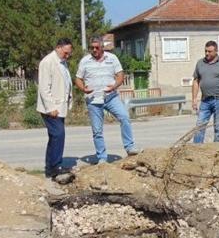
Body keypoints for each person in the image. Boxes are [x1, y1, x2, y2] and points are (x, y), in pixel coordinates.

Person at [75, 36, 141, 164]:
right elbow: (78, 78)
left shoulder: (112, 58)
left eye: (97, 47)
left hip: (111, 97)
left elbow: (120, 75)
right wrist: (83, 88)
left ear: (102, 47)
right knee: (97, 130)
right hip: (93, 99)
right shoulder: (85, 61)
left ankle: (130, 147)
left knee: (124, 117)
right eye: (92, 48)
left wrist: (115, 85)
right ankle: (102, 158)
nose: (94, 50)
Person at [36, 38, 74, 178]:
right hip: (51, 108)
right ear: (58, 48)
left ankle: (50, 168)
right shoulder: (47, 62)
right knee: (59, 134)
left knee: (54, 137)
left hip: (60, 107)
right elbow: (44, 88)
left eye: (69, 53)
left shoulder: (62, 62)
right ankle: (55, 166)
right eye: (65, 53)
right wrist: (51, 107)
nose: (67, 56)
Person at [192, 40, 219, 143]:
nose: (207, 53)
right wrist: (194, 99)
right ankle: (195, 150)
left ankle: (216, 150)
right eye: (205, 51)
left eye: (210, 51)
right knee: (199, 126)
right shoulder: (200, 63)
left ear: (216, 51)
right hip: (205, 101)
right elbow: (196, 81)